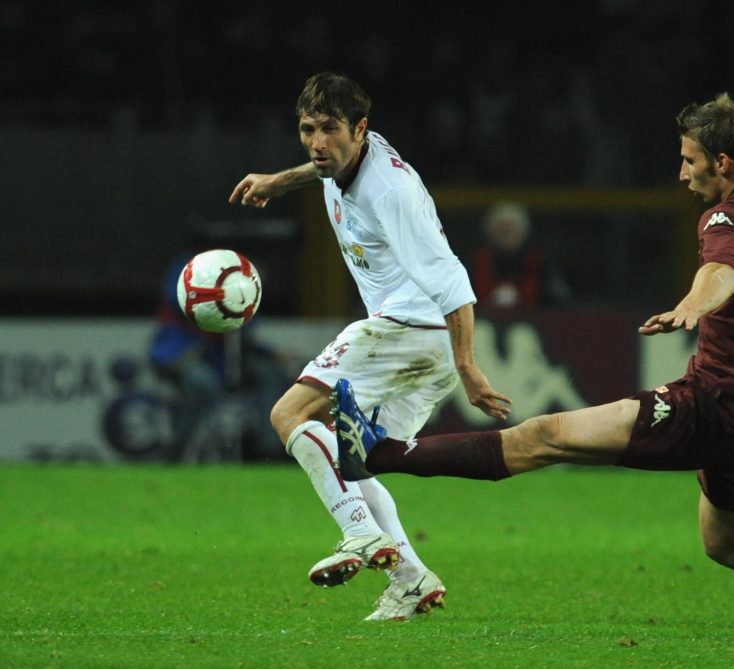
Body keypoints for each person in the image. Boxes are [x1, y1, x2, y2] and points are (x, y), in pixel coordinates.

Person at [333, 39, 734, 638]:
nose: (681, 171)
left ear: (722, 163)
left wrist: (692, 306)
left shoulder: (727, 218)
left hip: (711, 406)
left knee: (547, 436)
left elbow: (723, 271)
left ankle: (379, 454)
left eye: (689, 159)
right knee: (732, 545)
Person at [228, 72, 511, 621]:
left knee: (288, 413)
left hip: (410, 329)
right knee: (355, 460)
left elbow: (452, 278)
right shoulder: (346, 158)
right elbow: (320, 169)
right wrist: (276, 182)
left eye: (329, 129)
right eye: (307, 129)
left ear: (361, 129)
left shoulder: (392, 192)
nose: (317, 143)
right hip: (419, 341)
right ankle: (408, 579)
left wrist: (469, 366)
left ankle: (358, 531)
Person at [149, 251, 288, 462]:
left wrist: (269, 354)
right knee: (202, 382)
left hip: (226, 357)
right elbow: (179, 299)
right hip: (183, 351)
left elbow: (245, 336)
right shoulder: (186, 268)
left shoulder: (244, 282)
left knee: (270, 373)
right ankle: (178, 452)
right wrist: (218, 292)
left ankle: (271, 453)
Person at [471, 201, 571, 309]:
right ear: (491, 232)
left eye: (512, 230)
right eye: (502, 230)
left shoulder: (541, 261)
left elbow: (557, 300)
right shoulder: (476, 261)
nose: (507, 234)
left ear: (523, 231)